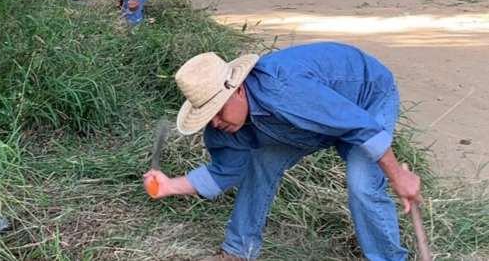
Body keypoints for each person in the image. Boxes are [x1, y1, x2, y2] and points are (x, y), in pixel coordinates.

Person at [143, 42, 422, 261]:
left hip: (364, 98)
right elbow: (224, 172)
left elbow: (362, 127)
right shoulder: (224, 127)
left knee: (362, 185)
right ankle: (239, 252)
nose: (215, 122)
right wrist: (169, 186)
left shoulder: (285, 91)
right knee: (261, 163)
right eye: (208, 116)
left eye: (218, 111)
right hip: (310, 123)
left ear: (238, 90)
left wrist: (398, 176)